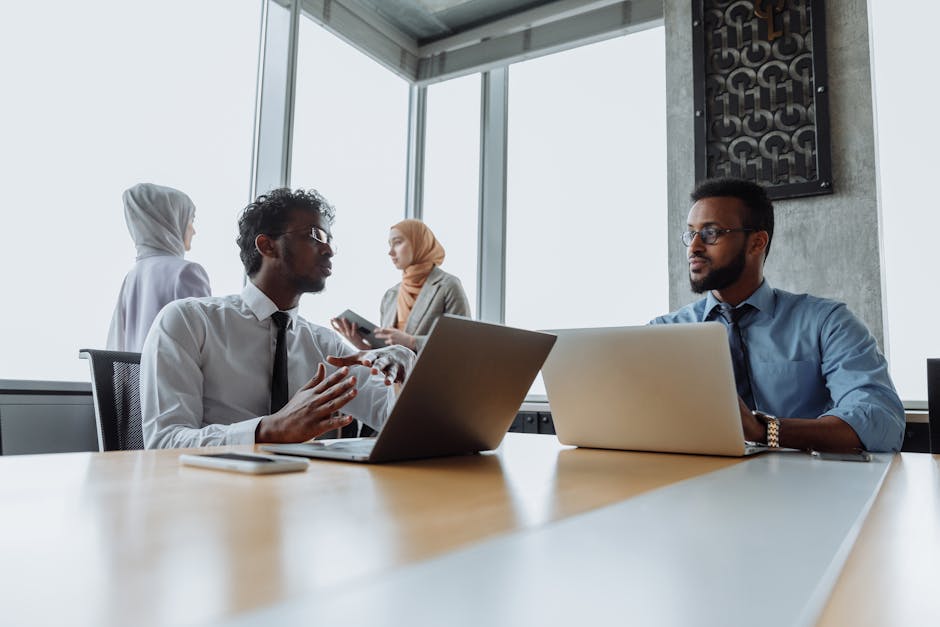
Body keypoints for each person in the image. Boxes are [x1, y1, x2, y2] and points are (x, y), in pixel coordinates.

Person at [140, 188, 416, 449]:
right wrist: (268, 430)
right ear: (267, 245)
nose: (329, 250)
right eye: (316, 235)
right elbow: (165, 441)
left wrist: (403, 378)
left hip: (304, 491)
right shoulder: (189, 321)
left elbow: (394, 422)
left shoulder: (327, 346)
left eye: (330, 240)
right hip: (212, 492)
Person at [650, 177, 904, 453]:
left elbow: (881, 421)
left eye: (711, 233)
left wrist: (764, 430)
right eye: (691, 234)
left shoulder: (827, 322)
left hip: (808, 487)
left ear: (757, 242)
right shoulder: (662, 334)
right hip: (693, 487)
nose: (694, 247)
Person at [332, 219, 470, 352]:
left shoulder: (447, 285)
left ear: (419, 243)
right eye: (389, 245)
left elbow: (463, 342)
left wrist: (412, 342)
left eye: (397, 243)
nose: (391, 252)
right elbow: (390, 354)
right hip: (397, 376)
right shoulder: (390, 295)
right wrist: (362, 346)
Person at [106, 183, 211, 352]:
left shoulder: (134, 274)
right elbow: (204, 346)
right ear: (172, 220)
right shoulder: (186, 272)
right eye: (191, 219)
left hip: (138, 379)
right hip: (174, 378)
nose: (194, 230)